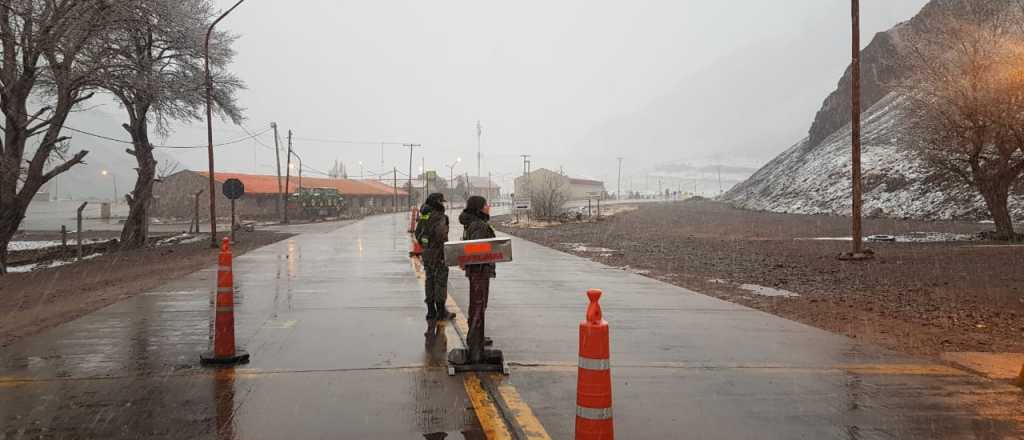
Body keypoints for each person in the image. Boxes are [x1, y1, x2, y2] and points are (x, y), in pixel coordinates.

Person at [458, 195, 496, 363]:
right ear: (479, 207)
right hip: (479, 271)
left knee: (477, 304)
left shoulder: (472, 223)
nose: (489, 206)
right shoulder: (479, 226)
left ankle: (476, 337)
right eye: (486, 204)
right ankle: (474, 342)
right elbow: (478, 250)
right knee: (479, 305)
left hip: (476, 271)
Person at [415, 193, 455, 321]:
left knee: (429, 281)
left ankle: (431, 311)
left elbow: (418, 234)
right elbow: (441, 236)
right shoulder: (440, 217)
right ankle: (441, 312)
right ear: (438, 202)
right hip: (439, 254)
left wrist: (426, 245)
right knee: (440, 283)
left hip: (427, 254)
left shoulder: (424, 215)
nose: (443, 204)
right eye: (441, 202)